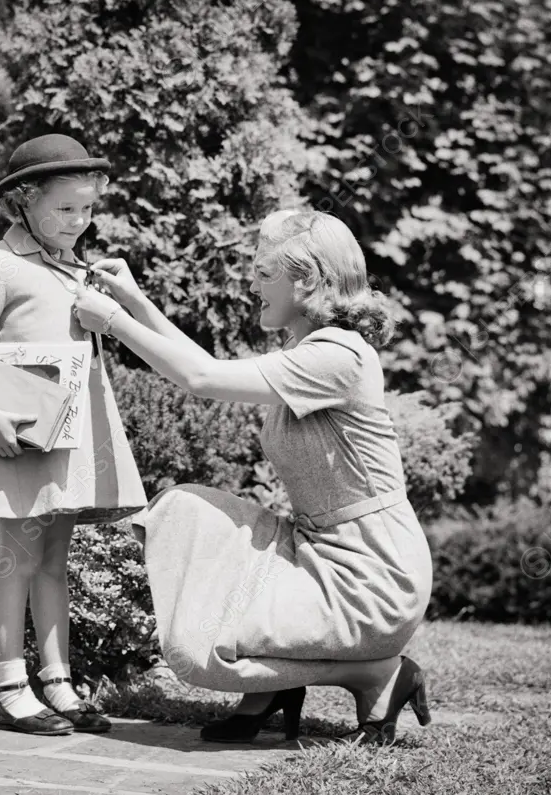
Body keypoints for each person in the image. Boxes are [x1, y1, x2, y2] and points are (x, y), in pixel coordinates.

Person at [72, 209, 434, 746]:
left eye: (265, 273)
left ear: (306, 279)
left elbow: (201, 377)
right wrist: (134, 301)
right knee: (183, 508)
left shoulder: (340, 357)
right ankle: (270, 689)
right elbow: (203, 363)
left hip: (371, 575)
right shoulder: (305, 349)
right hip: (316, 549)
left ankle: (375, 672)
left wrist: (114, 323)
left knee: (204, 645)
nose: (251, 284)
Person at [0, 134, 148, 736]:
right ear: (24, 202)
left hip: (72, 434)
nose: (80, 221)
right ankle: (12, 687)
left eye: (89, 209)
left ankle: (58, 681)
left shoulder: (79, 270)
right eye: (66, 208)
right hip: (22, 434)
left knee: (55, 560)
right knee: (18, 559)